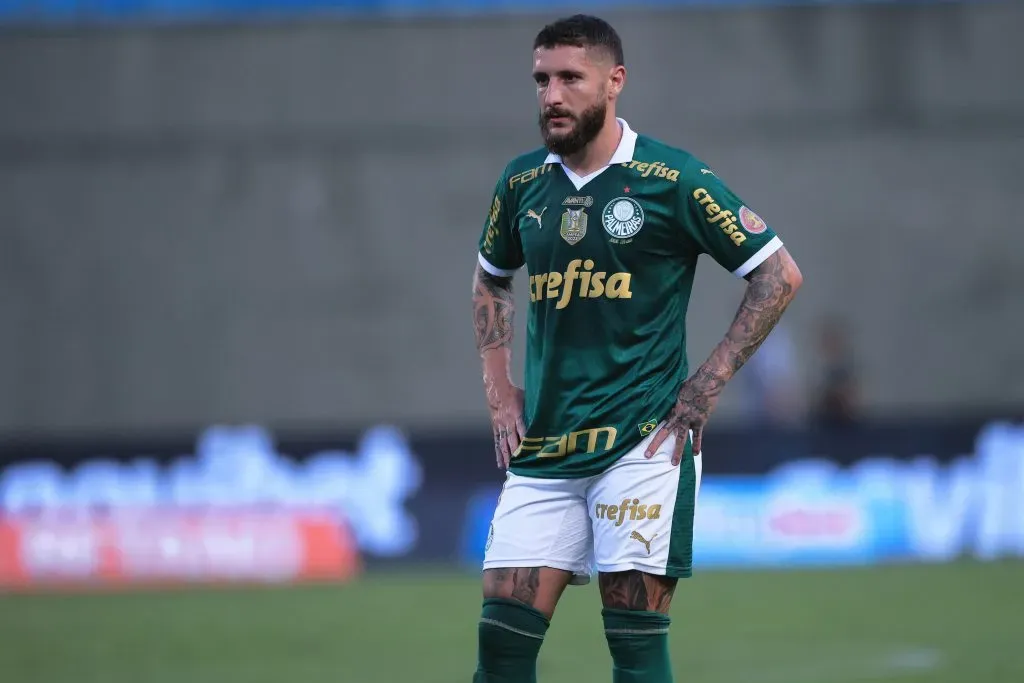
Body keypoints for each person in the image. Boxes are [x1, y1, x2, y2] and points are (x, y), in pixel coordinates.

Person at [470, 14, 803, 683]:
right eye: (542, 80)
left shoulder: (671, 179)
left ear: (614, 81)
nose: (552, 95)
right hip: (548, 450)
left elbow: (778, 274)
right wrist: (499, 387)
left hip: (643, 447)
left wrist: (706, 384)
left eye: (570, 78)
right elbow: (491, 279)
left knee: (634, 645)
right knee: (501, 644)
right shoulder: (521, 184)